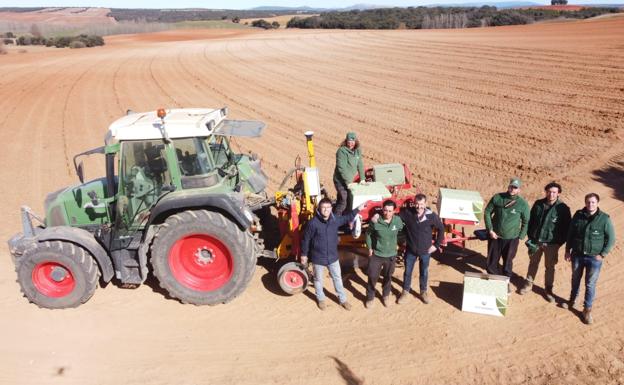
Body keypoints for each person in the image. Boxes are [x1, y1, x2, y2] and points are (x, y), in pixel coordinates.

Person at [301, 197, 364, 311]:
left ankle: (343, 300)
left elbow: (347, 218)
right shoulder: (313, 223)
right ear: (319, 209)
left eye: (328, 207)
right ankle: (321, 299)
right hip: (318, 258)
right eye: (323, 207)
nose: (326, 210)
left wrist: (358, 209)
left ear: (331, 208)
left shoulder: (335, 220)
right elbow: (306, 240)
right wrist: (304, 255)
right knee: (318, 280)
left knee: (337, 278)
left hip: (333, 257)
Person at [562, 193, 615, 325]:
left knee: (590, 284)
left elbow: (611, 239)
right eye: (588, 202)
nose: (590, 204)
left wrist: (602, 254)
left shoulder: (604, 219)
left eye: (593, 202)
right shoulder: (578, 215)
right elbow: (570, 234)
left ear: (597, 203)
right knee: (575, 278)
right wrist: (567, 250)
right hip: (577, 255)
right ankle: (572, 300)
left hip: (594, 258)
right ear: (585, 203)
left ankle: (587, 310)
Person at [519, 182, 571, 302]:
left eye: (554, 192)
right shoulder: (538, 204)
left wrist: (558, 243)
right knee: (533, 263)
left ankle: (548, 289)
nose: (551, 194)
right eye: (549, 191)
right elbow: (530, 221)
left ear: (558, 193)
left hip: (552, 244)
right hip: (536, 241)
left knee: (550, 267)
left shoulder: (563, 209)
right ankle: (528, 285)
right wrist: (531, 237)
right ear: (546, 192)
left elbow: (567, 228)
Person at [397, 193, 444, 305]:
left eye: (422, 204)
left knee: (424, 272)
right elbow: (394, 218)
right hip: (411, 250)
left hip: (426, 251)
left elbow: (441, 229)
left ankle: (423, 292)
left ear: (425, 203)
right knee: (407, 272)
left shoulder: (431, 216)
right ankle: (405, 291)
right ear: (414, 204)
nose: (419, 207)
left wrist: (436, 245)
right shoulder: (407, 213)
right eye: (417, 204)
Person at [484, 178, 530, 291]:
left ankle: (506, 283)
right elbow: (487, 212)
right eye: (511, 187)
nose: (512, 189)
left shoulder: (522, 204)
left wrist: (520, 236)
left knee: (508, 261)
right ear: (508, 186)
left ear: (519, 190)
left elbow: (526, 221)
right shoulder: (498, 198)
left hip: (511, 238)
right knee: (492, 261)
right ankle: (494, 282)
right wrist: (490, 229)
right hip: (495, 236)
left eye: (515, 188)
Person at [365, 200, 404, 308]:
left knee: (388, 276)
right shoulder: (376, 221)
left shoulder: (398, 221)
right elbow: (368, 234)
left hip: (391, 255)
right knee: (372, 276)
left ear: (394, 211)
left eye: (390, 211)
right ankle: (370, 297)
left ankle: (385, 295)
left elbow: (403, 231)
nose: (387, 213)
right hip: (377, 254)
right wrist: (369, 248)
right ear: (382, 210)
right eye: (385, 210)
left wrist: (399, 243)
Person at [333, 132, 365, 215]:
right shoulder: (341, 151)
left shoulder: (357, 150)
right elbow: (341, 168)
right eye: (349, 142)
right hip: (340, 181)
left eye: (352, 141)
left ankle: (345, 218)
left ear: (355, 141)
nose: (351, 144)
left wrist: (362, 179)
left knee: (349, 201)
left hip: (350, 181)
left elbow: (360, 164)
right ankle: (335, 221)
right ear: (346, 141)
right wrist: (348, 182)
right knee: (344, 201)